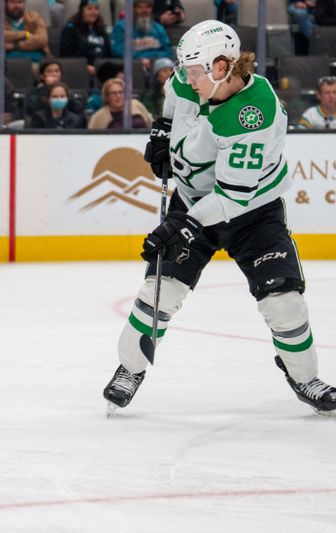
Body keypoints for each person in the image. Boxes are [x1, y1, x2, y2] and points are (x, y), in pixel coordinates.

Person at [103, 20, 336, 417]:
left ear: (222, 66)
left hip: (252, 213)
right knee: (160, 290)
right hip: (193, 199)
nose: (185, 77)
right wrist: (163, 131)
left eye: (194, 71)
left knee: (284, 300)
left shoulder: (253, 114)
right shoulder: (193, 77)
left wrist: (183, 225)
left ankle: (304, 377)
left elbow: (231, 197)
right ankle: (130, 368)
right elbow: (174, 97)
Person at [110, 0, 172, 72]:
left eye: (147, 7)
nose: (144, 10)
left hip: (157, 62)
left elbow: (168, 50)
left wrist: (153, 60)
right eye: (140, 7)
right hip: (133, 62)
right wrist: (139, 59)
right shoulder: (121, 27)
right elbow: (117, 50)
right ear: (133, 9)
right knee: (138, 68)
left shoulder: (159, 28)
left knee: (167, 68)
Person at [0, 0, 51, 64]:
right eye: (13, 2)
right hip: (8, 63)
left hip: (38, 62)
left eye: (20, 2)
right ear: (5, 3)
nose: (17, 6)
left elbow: (42, 40)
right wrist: (25, 34)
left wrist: (14, 46)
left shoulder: (34, 17)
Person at [59, 0, 111, 77]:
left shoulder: (101, 28)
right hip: (79, 70)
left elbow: (108, 53)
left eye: (96, 9)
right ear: (81, 11)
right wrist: (84, 66)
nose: (93, 12)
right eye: (89, 9)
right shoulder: (70, 28)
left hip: (101, 70)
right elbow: (66, 55)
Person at [88, 78, 152, 129]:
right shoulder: (98, 117)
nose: (118, 96)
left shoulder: (136, 105)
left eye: (121, 92)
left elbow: (151, 124)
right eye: (113, 93)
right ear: (107, 97)